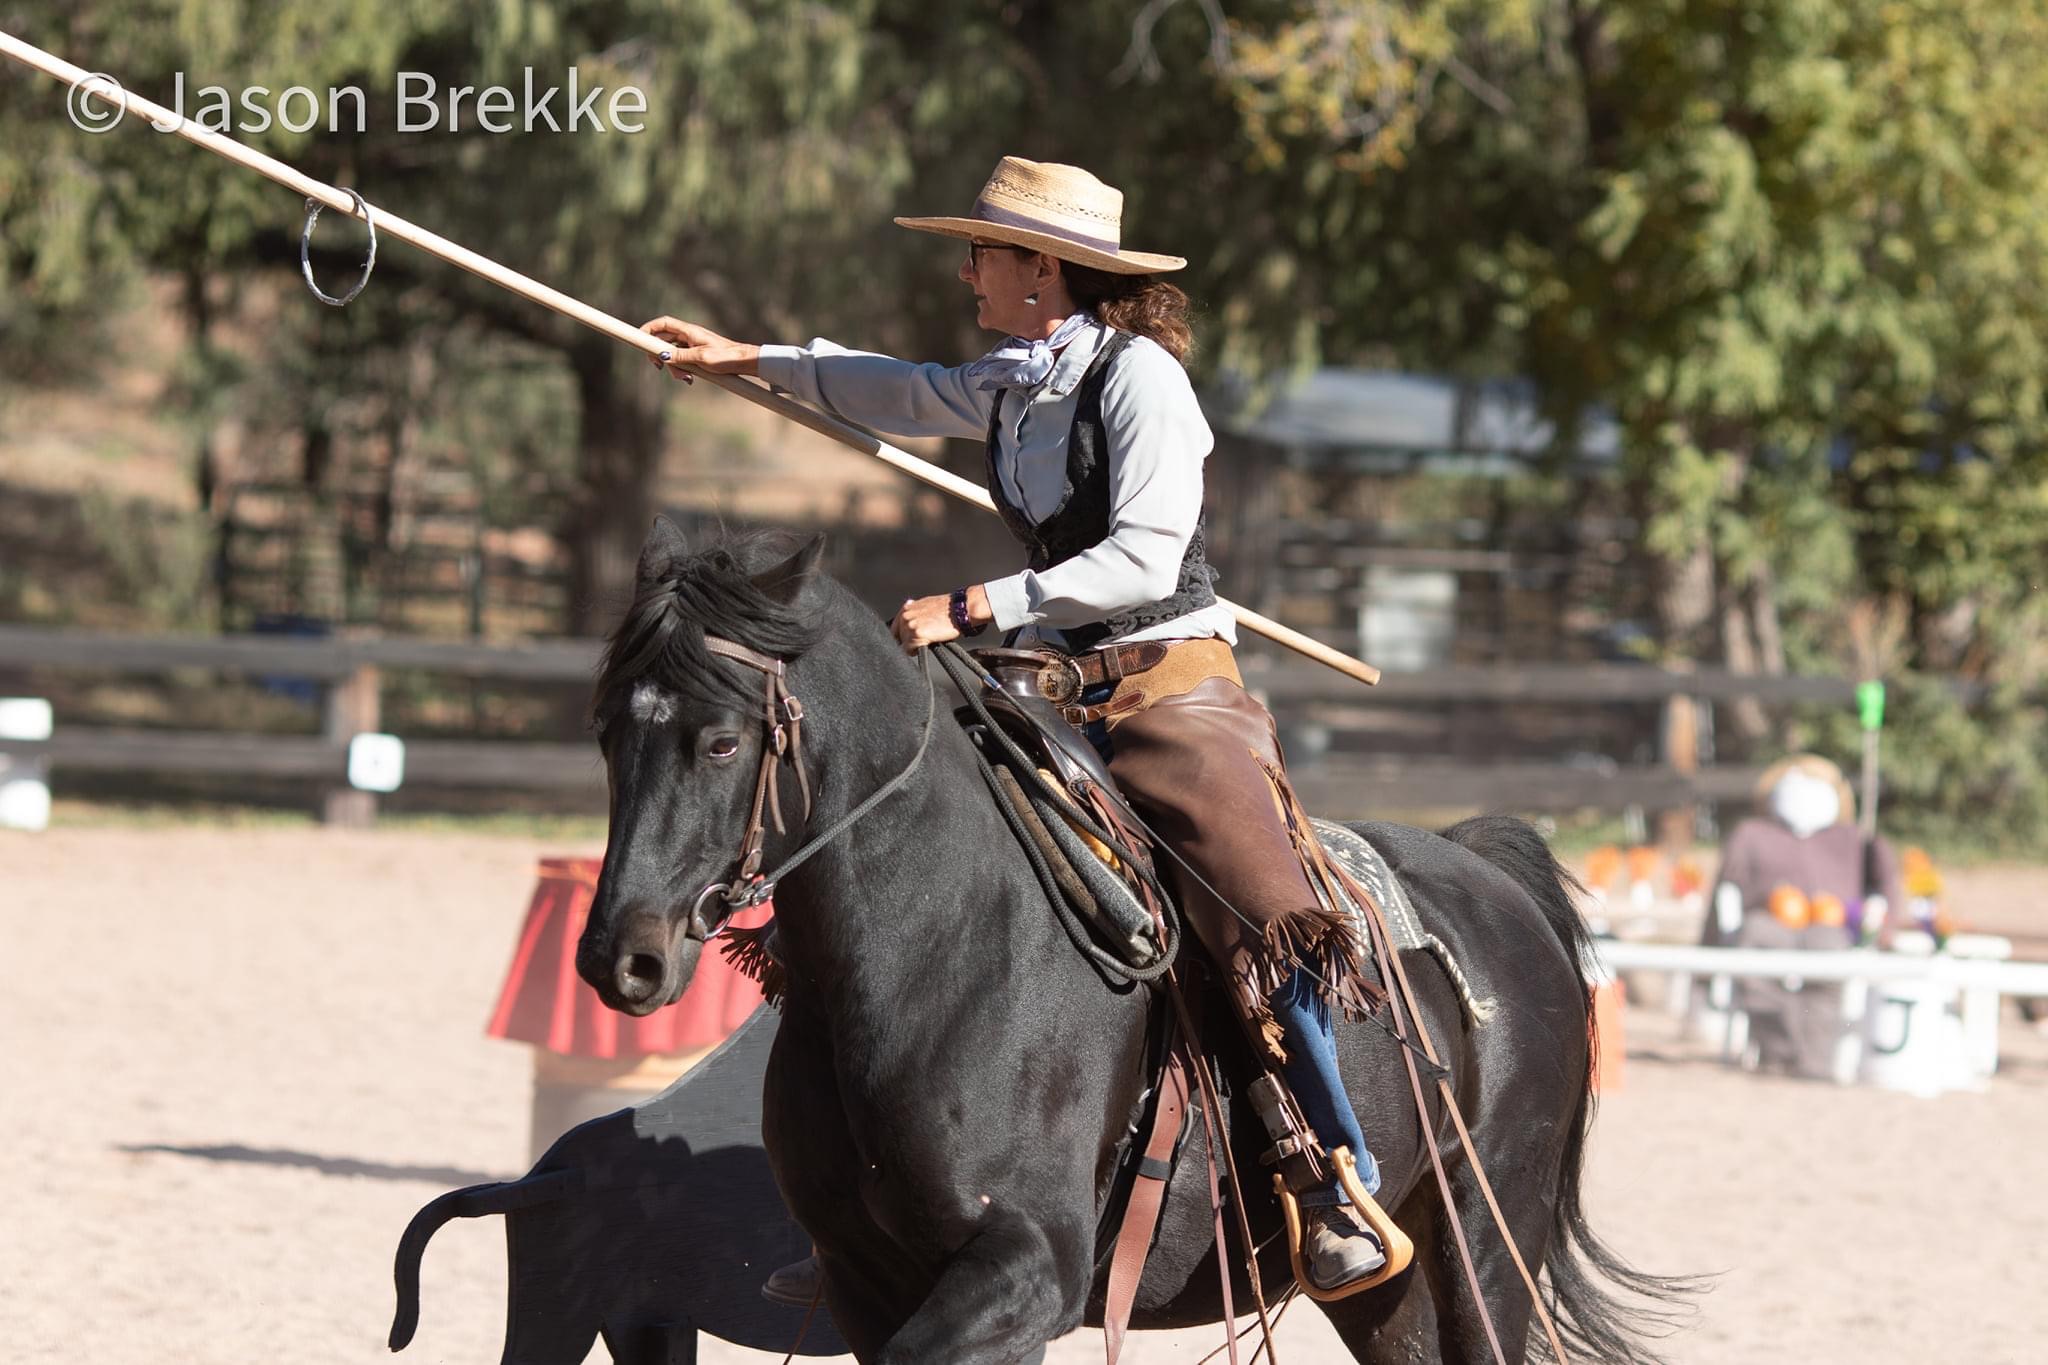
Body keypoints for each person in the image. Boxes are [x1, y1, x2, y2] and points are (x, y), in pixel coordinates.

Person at [643, 156, 1387, 1295]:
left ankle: (1325, 1172)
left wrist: (981, 603)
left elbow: (1141, 554)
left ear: (1040, 269)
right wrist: (746, 359)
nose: (966, 270)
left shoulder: (1144, 383)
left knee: (1260, 905)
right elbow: (897, 389)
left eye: (982, 253)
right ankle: (861, 1200)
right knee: (893, 856)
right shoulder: (1013, 379)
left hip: (1167, 690)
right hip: (1047, 686)